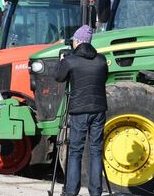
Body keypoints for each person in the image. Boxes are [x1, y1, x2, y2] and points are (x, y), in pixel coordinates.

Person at [54, 25, 108, 196]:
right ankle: (96, 191)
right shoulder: (101, 59)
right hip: (99, 109)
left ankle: (71, 191)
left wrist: (61, 60)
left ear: (77, 42)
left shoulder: (70, 61)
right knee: (95, 151)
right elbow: (104, 78)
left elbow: (59, 77)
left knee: (76, 151)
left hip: (79, 110)